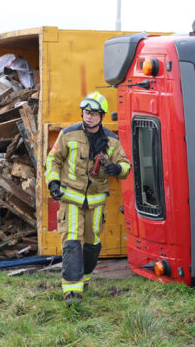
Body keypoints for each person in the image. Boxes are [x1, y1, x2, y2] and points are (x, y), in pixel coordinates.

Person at [45, 92, 131, 306]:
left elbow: (127, 166)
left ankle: (84, 278)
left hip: (96, 201)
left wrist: (117, 168)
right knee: (72, 241)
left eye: (93, 113)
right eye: (86, 112)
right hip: (70, 198)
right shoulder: (68, 134)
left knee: (92, 245)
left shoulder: (111, 140)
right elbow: (53, 160)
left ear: (101, 116)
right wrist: (53, 182)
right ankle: (72, 292)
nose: (89, 117)